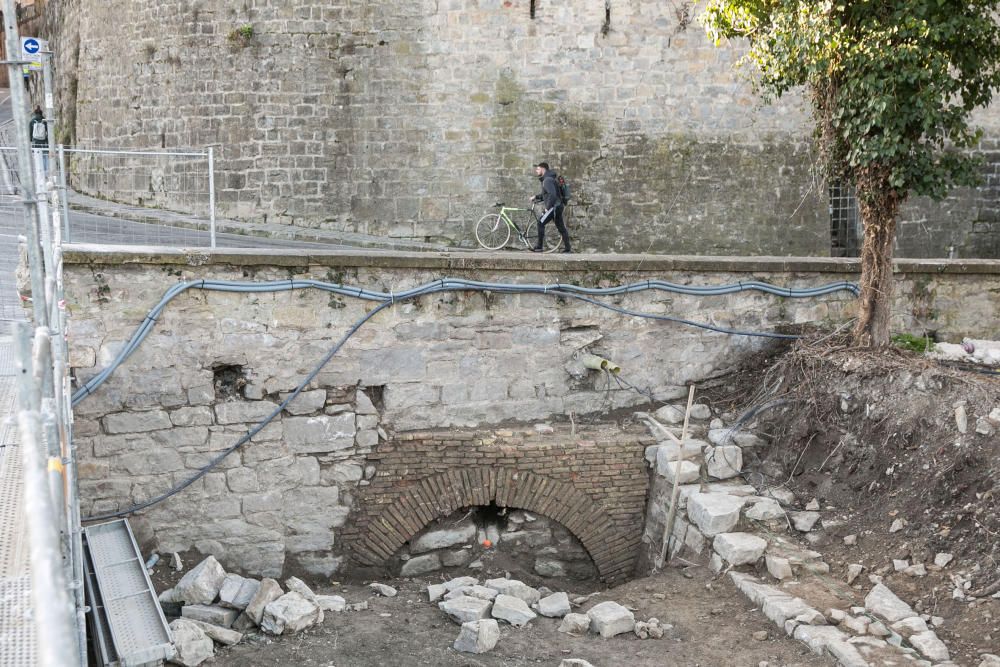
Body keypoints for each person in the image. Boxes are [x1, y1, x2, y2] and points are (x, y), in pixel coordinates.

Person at [531, 162, 571, 253]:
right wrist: (536, 197)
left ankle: (539, 247)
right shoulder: (549, 179)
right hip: (558, 206)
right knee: (561, 227)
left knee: (540, 223)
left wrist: (547, 208)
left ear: (543, 169)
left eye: (537, 169)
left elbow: (552, 195)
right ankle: (568, 249)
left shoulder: (547, 180)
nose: (536, 171)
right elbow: (547, 194)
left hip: (554, 207)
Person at [29, 106, 49, 173]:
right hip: (44, 143)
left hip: (36, 143)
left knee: (37, 159)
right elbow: (48, 133)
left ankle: (39, 172)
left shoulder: (32, 121)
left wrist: (32, 141)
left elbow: (30, 134)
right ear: (41, 113)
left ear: (35, 113)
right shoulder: (45, 121)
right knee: (45, 158)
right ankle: (46, 173)